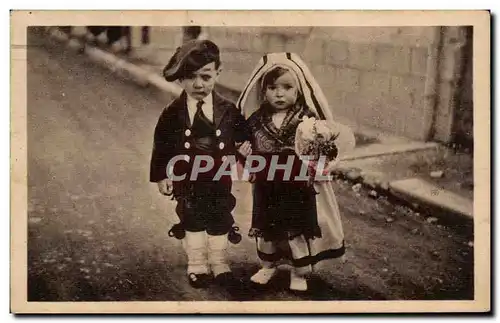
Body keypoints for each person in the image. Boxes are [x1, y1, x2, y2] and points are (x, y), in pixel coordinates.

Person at [236, 52, 356, 292]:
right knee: (267, 229)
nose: (279, 93)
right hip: (266, 184)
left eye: (287, 87)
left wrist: (318, 154)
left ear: (299, 90)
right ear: (263, 91)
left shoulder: (308, 121)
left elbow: (322, 149)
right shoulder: (255, 120)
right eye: (272, 87)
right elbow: (243, 148)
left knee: (295, 230)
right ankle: (268, 265)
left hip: (296, 186)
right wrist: (244, 152)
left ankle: (298, 272)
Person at [149, 39, 252, 289]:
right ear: (180, 79)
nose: (198, 84)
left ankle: (219, 263)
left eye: (205, 76)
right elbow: (161, 144)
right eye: (190, 77)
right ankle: (197, 264)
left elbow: (243, 135)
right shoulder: (172, 113)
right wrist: (162, 175)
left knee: (219, 217)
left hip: (219, 178)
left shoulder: (228, 110)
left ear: (218, 72)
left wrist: (244, 147)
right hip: (188, 179)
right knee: (192, 218)